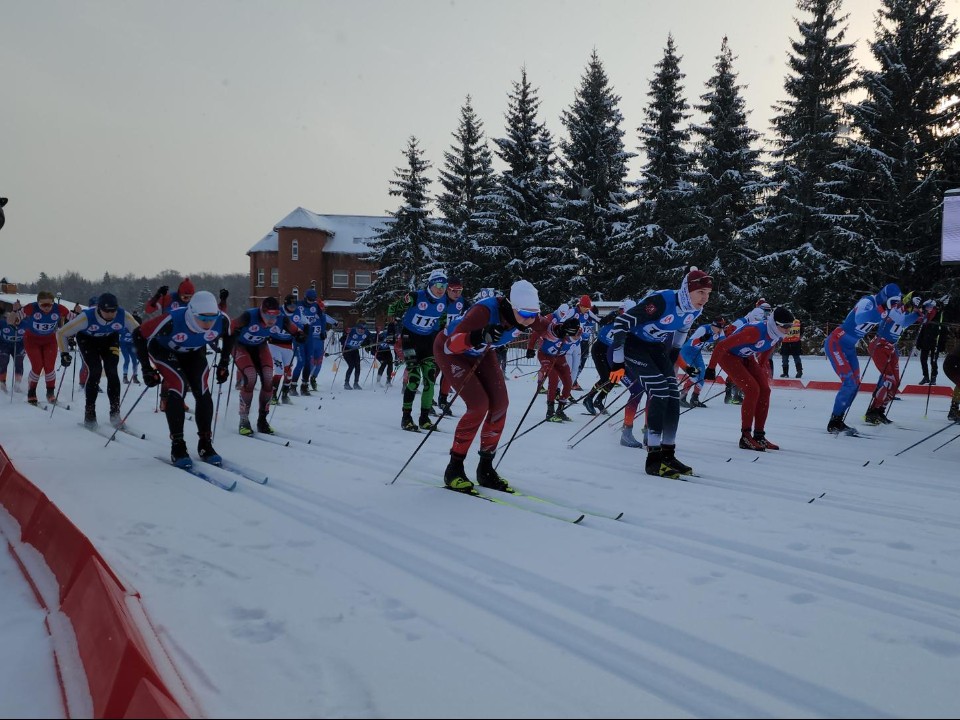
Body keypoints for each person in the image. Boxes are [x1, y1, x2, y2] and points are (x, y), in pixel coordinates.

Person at [434, 279, 543, 492]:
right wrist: (478, 335)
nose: (530, 320)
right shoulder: (484, 310)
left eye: (534, 314)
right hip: (452, 352)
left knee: (500, 404)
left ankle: (485, 469)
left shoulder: (527, 315)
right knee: (478, 405)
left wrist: (564, 328)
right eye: (526, 314)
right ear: (511, 306)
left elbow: (548, 328)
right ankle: (454, 468)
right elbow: (451, 344)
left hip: (481, 353)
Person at [610, 267, 712, 478]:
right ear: (688, 290)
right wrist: (617, 363)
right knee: (659, 390)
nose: (705, 298)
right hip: (633, 345)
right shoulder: (662, 301)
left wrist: (673, 355)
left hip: (655, 347)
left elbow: (682, 330)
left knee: (672, 394)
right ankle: (653, 459)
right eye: (700, 292)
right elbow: (622, 323)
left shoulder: (695, 309)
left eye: (708, 294)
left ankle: (668, 453)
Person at [134, 291, 235, 467]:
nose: (207, 323)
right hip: (163, 350)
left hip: (193, 351)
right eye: (202, 318)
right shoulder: (173, 319)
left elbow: (230, 335)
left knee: (203, 390)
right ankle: (178, 445)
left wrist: (224, 363)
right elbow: (138, 334)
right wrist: (146, 369)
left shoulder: (222, 320)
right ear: (191, 313)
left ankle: (205, 443)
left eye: (211, 319)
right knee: (178, 385)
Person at [705, 307, 795, 450]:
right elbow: (722, 345)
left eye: (791, 326)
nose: (788, 329)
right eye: (785, 326)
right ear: (774, 323)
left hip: (746, 356)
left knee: (765, 390)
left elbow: (767, 348)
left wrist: (761, 367)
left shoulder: (777, 333)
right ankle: (745, 436)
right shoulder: (755, 332)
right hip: (728, 356)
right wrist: (711, 368)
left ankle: (759, 435)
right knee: (752, 390)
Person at [825, 282, 901, 434]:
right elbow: (860, 319)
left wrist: (922, 314)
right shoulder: (868, 301)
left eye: (896, 303)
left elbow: (902, 321)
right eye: (892, 302)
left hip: (849, 347)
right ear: (885, 297)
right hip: (837, 343)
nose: (893, 306)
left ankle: (838, 419)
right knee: (849, 382)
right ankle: (834, 422)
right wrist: (880, 310)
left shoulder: (886, 309)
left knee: (855, 384)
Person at [56, 293, 140, 428]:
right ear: (99, 308)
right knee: (95, 371)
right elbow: (61, 333)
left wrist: (144, 351)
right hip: (88, 341)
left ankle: (115, 414)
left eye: (113, 310)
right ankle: (89, 415)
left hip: (109, 340)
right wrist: (64, 353)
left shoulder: (123, 315)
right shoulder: (86, 317)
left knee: (112, 372)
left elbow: (139, 333)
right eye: (106, 311)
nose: (110, 314)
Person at [230, 297, 306, 435]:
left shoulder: (281, 319)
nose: (271, 319)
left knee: (268, 378)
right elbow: (228, 327)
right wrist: (230, 335)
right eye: (267, 315)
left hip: (260, 346)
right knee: (250, 376)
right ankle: (244, 420)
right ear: (261, 311)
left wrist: (301, 335)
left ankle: (262, 420)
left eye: (274, 315)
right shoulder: (249, 316)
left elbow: (296, 331)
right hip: (241, 346)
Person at [389, 269, 449, 431]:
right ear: (430, 284)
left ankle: (424, 418)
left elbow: (441, 322)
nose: (441, 288)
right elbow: (393, 308)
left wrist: (444, 334)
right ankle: (406, 417)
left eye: (444, 285)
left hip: (427, 342)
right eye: (438, 284)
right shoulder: (416, 296)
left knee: (430, 379)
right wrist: (393, 325)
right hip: (409, 340)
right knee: (414, 378)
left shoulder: (444, 301)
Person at [864, 294, 924, 424]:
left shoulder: (903, 312)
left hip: (890, 348)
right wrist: (913, 311)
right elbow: (903, 320)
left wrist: (923, 310)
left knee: (896, 382)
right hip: (879, 346)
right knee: (889, 380)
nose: (902, 306)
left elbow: (919, 318)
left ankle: (880, 411)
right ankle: (872, 411)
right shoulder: (892, 310)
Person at [11, 291, 70, 406]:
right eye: (43, 305)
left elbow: (77, 318)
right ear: (38, 303)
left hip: (50, 340)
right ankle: (31, 392)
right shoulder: (31, 308)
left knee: (49, 367)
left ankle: (50, 393)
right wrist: (15, 311)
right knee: (37, 366)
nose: (47, 308)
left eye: (49, 305)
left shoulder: (59, 308)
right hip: (32, 340)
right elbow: (12, 321)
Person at [526, 303, 581, 421]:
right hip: (545, 355)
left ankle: (560, 410)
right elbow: (536, 332)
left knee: (568, 382)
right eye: (573, 335)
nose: (576, 337)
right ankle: (550, 412)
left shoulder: (577, 333)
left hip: (560, 357)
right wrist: (530, 348)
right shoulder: (552, 329)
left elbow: (575, 338)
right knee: (554, 379)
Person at [582, 298, 635, 416]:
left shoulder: (630, 323)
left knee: (615, 376)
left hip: (612, 352)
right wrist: (612, 315)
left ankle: (599, 399)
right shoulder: (614, 316)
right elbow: (602, 321)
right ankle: (588, 399)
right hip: (600, 348)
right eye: (624, 311)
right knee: (605, 377)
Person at [435, 276, 471, 415]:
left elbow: (474, 314)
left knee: (449, 371)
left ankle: (443, 399)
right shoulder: (439, 300)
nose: (457, 293)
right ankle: (427, 399)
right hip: (436, 339)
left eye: (460, 290)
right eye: (454, 290)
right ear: (446, 290)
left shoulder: (463, 302)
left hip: (452, 341)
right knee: (435, 370)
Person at [677, 316, 727, 408]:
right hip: (687, 351)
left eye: (722, 328)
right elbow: (691, 343)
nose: (720, 330)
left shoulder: (720, 331)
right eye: (719, 328)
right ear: (714, 325)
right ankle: (682, 397)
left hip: (697, 352)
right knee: (694, 374)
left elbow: (724, 342)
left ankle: (694, 399)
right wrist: (701, 339)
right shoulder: (703, 329)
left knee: (702, 374)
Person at [268, 294, 306, 405]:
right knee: (279, 371)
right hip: (274, 344)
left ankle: (285, 395)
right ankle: (273, 396)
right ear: (285, 304)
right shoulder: (278, 312)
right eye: (290, 305)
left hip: (288, 345)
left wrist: (302, 335)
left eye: (295, 305)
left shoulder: (297, 313)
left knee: (289, 373)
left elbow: (304, 326)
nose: (293, 308)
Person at [570, 294, 599, 390]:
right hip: (578, 342)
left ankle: (575, 379)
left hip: (586, 343)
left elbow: (594, 325)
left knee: (582, 363)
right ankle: (572, 381)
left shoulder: (592, 320)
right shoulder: (583, 317)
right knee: (576, 362)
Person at [916, 299, 947, 385]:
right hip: (925, 341)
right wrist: (919, 342)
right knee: (923, 359)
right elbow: (921, 330)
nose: (927, 309)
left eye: (929, 307)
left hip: (935, 342)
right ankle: (926, 377)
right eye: (926, 307)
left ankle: (933, 377)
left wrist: (942, 344)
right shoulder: (925, 316)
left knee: (933, 361)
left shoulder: (938, 315)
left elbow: (943, 331)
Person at [340, 320, 373, 389]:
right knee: (351, 365)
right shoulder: (352, 331)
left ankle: (356, 383)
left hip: (355, 350)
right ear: (357, 328)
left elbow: (371, 338)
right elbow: (341, 340)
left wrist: (368, 344)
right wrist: (346, 333)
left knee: (358, 366)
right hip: (347, 350)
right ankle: (346, 383)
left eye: (364, 329)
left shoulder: (366, 332)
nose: (362, 330)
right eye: (360, 328)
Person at [0, 310, 26, 393]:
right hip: (4, 344)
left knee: (19, 362)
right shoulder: (2, 323)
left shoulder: (24, 324)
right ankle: (2, 382)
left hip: (19, 345)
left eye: (16, 319)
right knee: (3, 361)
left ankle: (17, 384)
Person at [375, 320, 398, 387]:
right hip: (379, 351)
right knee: (384, 363)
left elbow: (395, 346)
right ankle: (378, 381)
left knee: (390, 364)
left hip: (387, 350)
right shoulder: (384, 334)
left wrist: (397, 357)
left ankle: (388, 381)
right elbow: (375, 341)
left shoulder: (394, 335)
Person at [119, 314, 141, 385]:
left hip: (132, 345)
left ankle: (135, 376)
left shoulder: (135, 329)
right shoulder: (123, 328)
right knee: (127, 360)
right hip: (124, 345)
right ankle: (125, 377)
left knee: (134, 361)